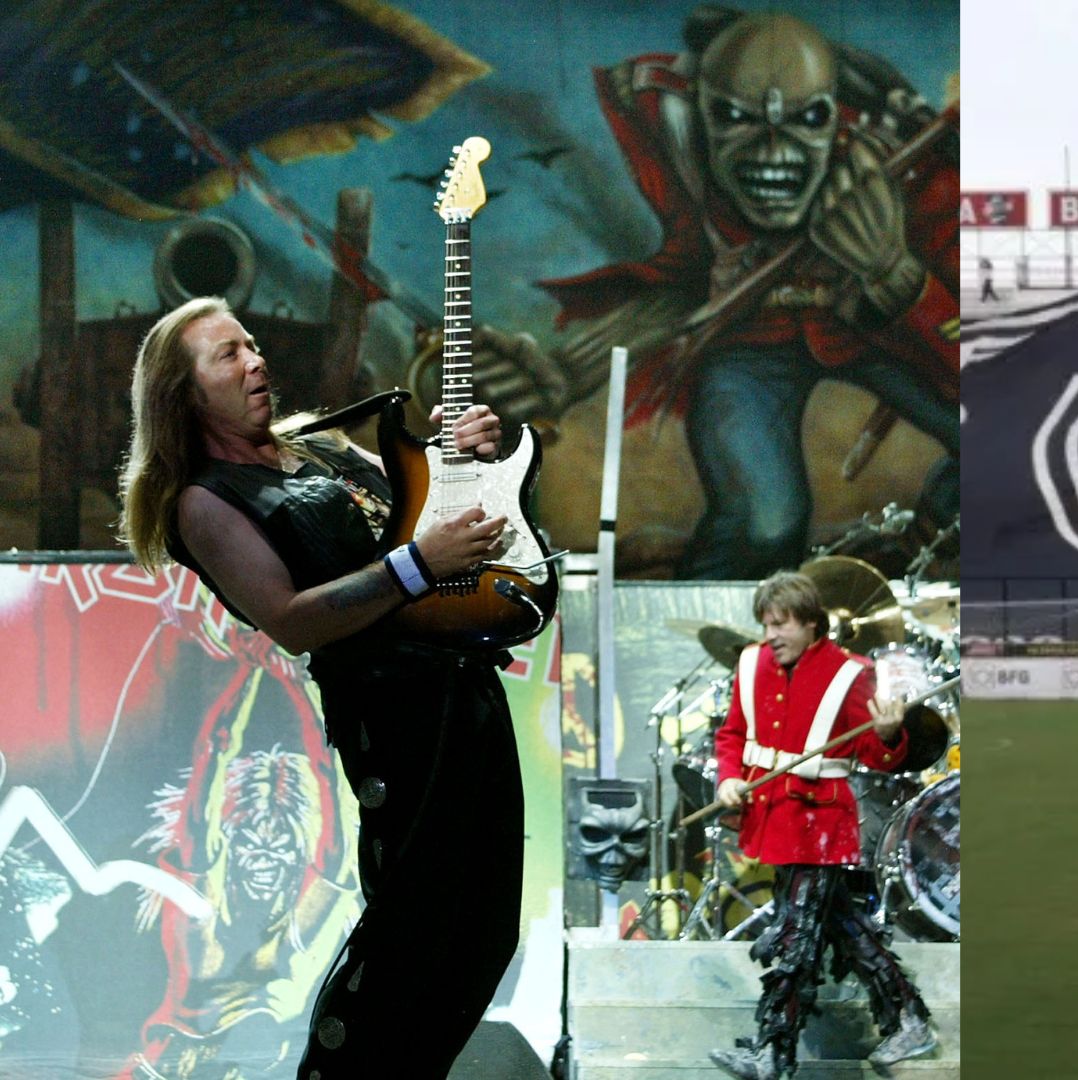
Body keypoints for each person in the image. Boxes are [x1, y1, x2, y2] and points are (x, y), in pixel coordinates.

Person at [116, 296, 523, 1078]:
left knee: (482, 932)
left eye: (254, 344)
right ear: (184, 393)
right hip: (393, 719)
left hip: (463, 688)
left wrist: (453, 456)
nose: (256, 361)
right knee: (417, 927)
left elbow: (417, 515)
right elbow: (292, 620)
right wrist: (420, 565)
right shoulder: (204, 500)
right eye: (228, 355)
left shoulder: (321, 447)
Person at [513, 10, 960, 579]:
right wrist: (571, 363)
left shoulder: (914, 174)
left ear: (833, 119)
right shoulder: (675, 141)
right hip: (752, 340)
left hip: (883, 333)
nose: (773, 149)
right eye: (735, 119)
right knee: (763, 519)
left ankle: (924, 543)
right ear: (704, 114)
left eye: (805, 121)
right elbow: (687, 284)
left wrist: (894, 274)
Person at [708, 572, 937, 1080]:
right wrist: (727, 778)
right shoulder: (751, 665)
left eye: (782, 624)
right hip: (771, 818)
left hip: (821, 826)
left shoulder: (851, 674)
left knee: (794, 937)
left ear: (812, 624)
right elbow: (731, 735)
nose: (771, 635)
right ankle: (908, 1019)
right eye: (766, 624)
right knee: (842, 925)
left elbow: (876, 757)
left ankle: (773, 1052)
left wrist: (887, 733)